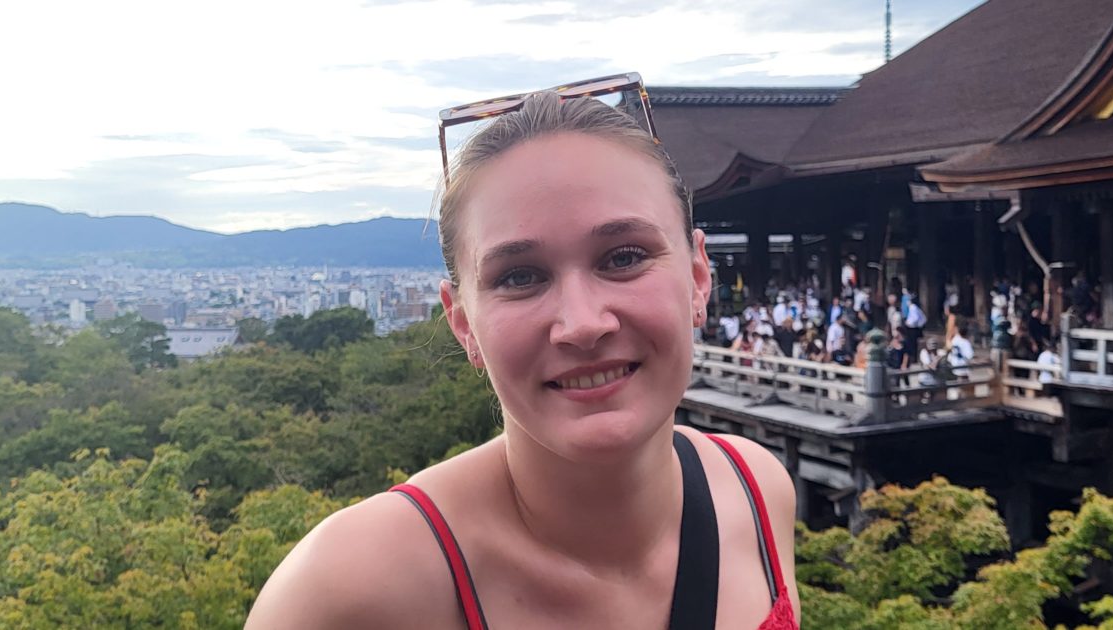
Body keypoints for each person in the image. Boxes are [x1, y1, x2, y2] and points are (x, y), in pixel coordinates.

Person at [247, 85, 799, 629]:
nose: (582, 324)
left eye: (624, 257)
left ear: (698, 277)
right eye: (519, 276)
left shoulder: (756, 490)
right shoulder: (350, 589)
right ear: (462, 322)